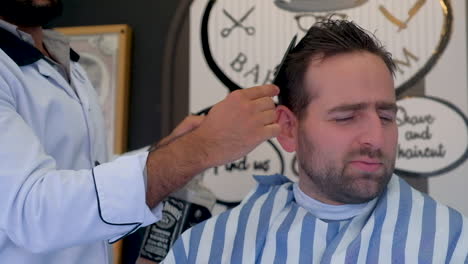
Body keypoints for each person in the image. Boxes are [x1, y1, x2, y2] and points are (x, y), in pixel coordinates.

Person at [163, 19, 468, 263]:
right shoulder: (208, 249)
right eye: (346, 117)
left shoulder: (453, 245)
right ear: (288, 129)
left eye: (386, 116)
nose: (376, 138)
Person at [0, 0, 280, 263]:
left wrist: (164, 151)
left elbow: (86, 184)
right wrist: (200, 147)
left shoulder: (61, 56)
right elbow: (34, 213)